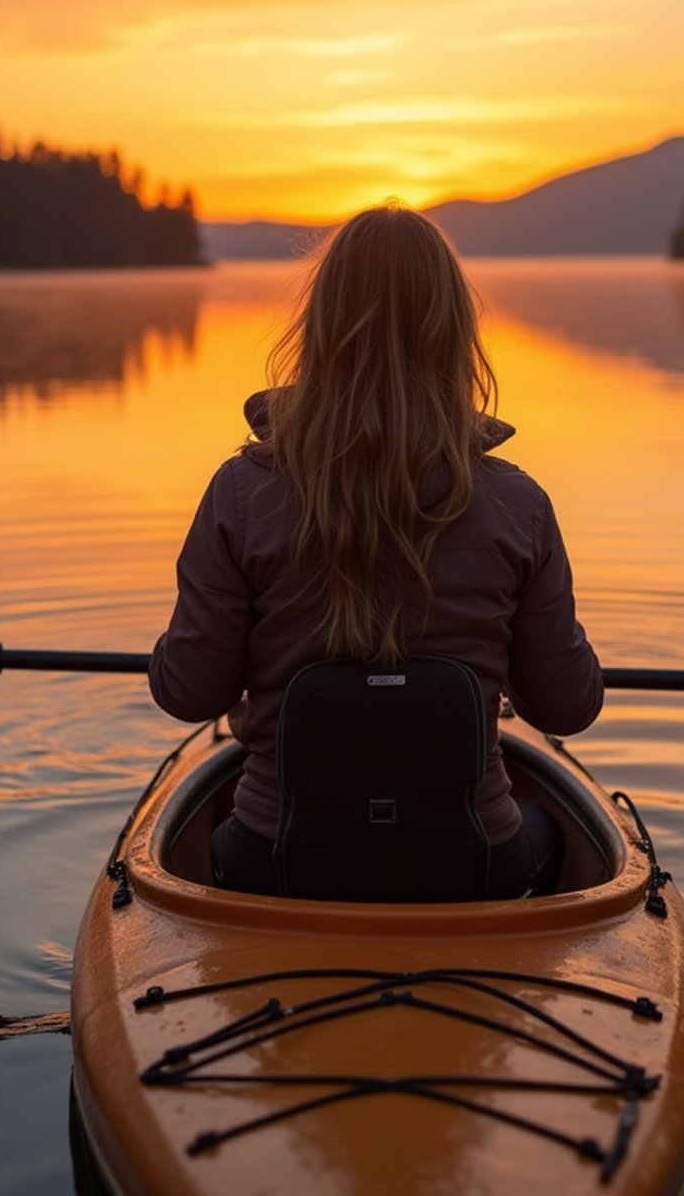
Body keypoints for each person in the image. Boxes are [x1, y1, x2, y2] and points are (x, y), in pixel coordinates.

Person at [149, 205, 603, 899]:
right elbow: (568, 708)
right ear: (455, 333)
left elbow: (188, 693)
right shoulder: (520, 505)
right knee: (547, 830)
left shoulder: (241, 493)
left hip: (279, 862)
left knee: (216, 841)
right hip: (472, 865)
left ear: (321, 328)